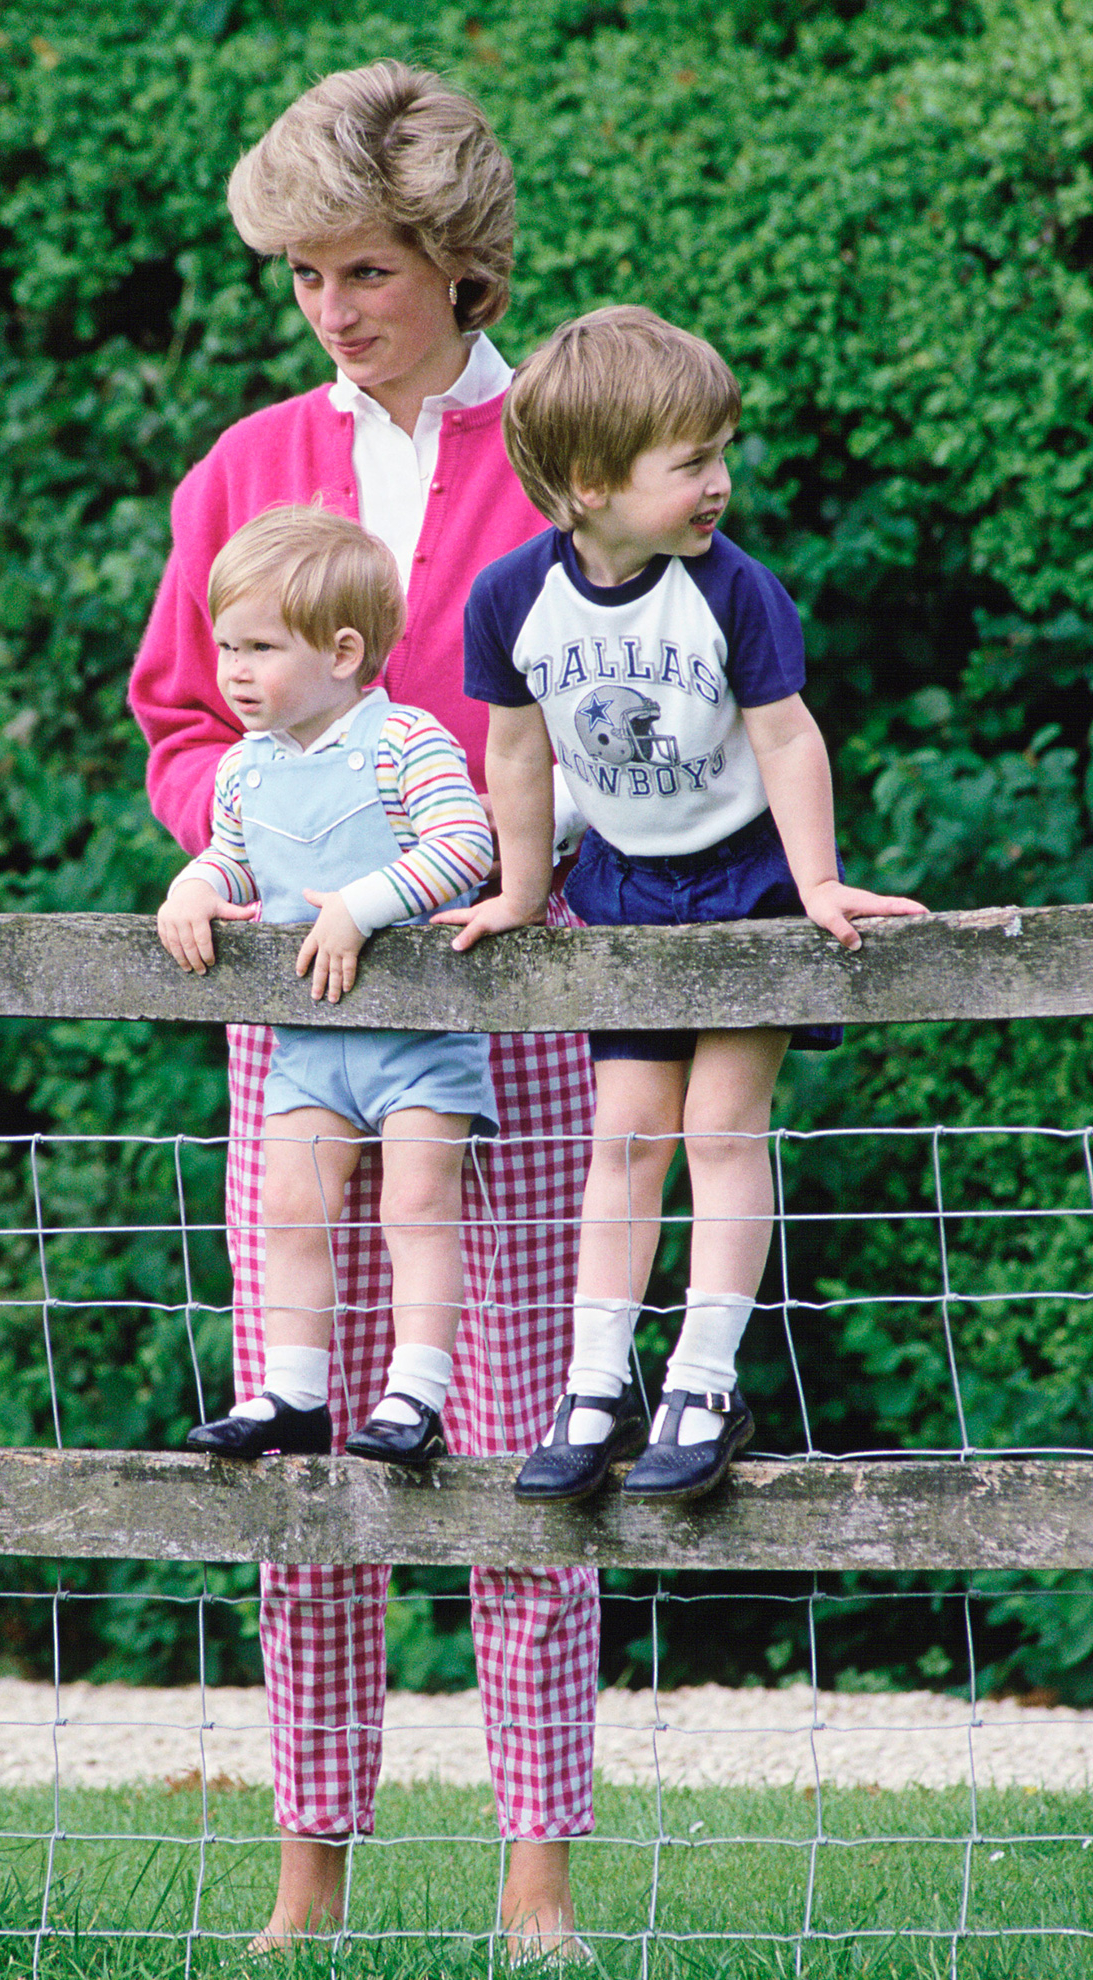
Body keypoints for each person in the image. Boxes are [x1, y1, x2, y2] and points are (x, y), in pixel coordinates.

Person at [129, 62, 598, 1957]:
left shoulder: (569, 444)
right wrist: (238, 853)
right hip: (304, 1025)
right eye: (303, 271)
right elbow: (178, 719)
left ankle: (535, 1892)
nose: (328, 304)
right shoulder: (246, 468)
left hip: (531, 1010)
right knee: (305, 1442)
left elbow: (659, 692)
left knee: (515, 1447)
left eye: (362, 266)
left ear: (456, 263)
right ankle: (305, 1885)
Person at [443, 305, 927, 1503]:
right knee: (623, 1139)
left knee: (720, 1126)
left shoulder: (735, 591)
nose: (722, 482)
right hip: (622, 888)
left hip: (745, 875)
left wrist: (814, 881)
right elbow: (516, 756)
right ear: (590, 484)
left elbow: (787, 735)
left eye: (722, 452)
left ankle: (704, 1378)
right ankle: (595, 1380)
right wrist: (516, 887)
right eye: (692, 462)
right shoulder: (511, 601)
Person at [160, 507, 497, 1466]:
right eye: (224, 645)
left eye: (258, 648)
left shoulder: (407, 741)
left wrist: (362, 903)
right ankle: (293, 1394)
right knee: (289, 1209)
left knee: (415, 1208)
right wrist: (194, 887)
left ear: (344, 651)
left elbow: (466, 846)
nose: (231, 670)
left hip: (417, 1044)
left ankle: (413, 1396)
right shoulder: (241, 770)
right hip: (307, 1048)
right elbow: (233, 862)